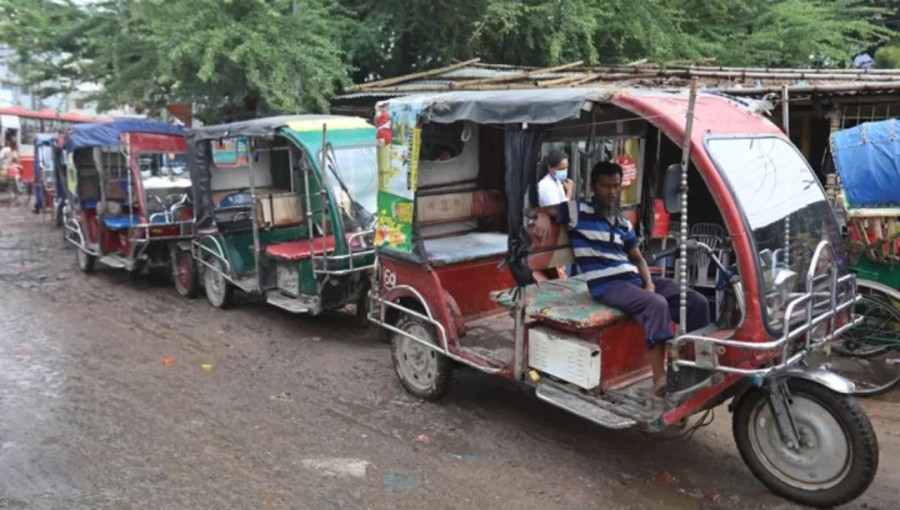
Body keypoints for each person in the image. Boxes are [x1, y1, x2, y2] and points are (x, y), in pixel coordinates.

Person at [532, 161, 710, 396]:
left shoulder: (624, 222)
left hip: (634, 280)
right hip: (607, 285)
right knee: (656, 304)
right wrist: (543, 215)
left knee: (697, 302)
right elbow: (535, 210)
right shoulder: (577, 211)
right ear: (594, 187)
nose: (612, 193)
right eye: (606, 187)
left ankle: (694, 367)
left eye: (616, 187)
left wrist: (648, 284)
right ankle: (660, 380)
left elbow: (638, 260)